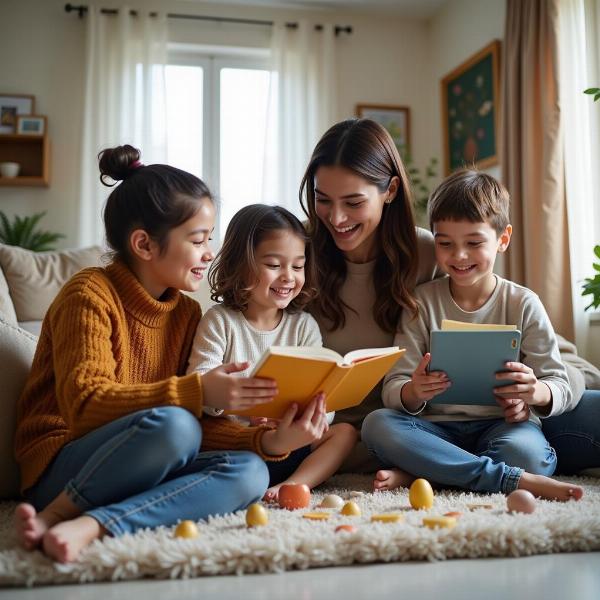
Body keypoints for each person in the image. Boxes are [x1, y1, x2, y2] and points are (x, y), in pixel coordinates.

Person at [13, 145, 328, 563]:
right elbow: (84, 407)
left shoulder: (185, 313)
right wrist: (199, 391)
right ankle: (61, 510)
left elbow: (198, 427)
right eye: (198, 240)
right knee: (175, 427)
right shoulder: (89, 294)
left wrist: (267, 440)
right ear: (144, 244)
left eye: (209, 239)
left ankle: (96, 524)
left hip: (147, 461)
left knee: (249, 472)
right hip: (65, 463)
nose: (210, 253)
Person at [361, 169, 584, 501]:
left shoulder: (523, 303)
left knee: (528, 455)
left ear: (502, 239)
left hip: (502, 428)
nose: (459, 255)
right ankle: (506, 479)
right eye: (445, 243)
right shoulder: (420, 302)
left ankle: (428, 473)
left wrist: (537, 392)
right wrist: (413, 391)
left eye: (474, 243)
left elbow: (560, 382)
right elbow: (393, 387)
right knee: (376, 425)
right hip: (433, 430)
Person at [187, 204, 357, 502]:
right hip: (241, 446)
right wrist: (246, 412)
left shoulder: (303, 325)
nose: (288, 277)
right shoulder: (220, 321)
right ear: (241, 265)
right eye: (274, 265)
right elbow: (198, 386)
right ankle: (257, 482)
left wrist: (306, 417)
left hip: (294, 442)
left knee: (345, 433)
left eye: (297, 265)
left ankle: (292, 485)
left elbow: (325, 401)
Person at [299, 118, 439, 470]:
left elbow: (496, 315)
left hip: (406, 427)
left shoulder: (428, 253)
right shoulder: (296, 249)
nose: (337, 217)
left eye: (353, 202)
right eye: (323, 200)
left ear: (390, 190)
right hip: (319, 437)